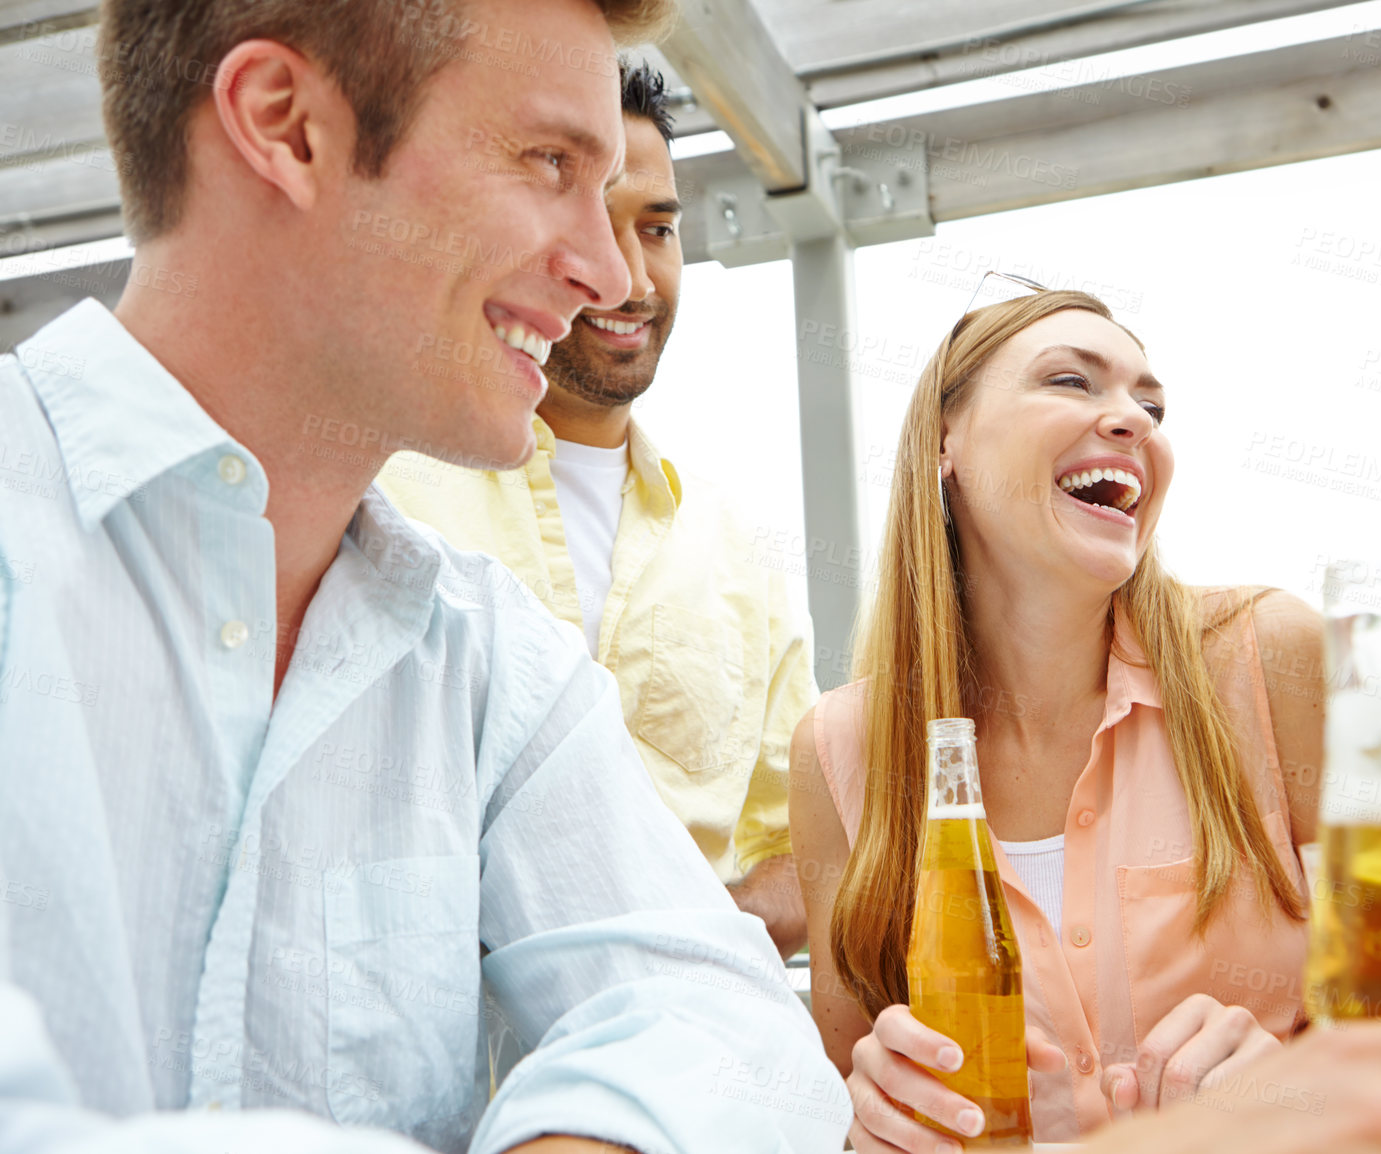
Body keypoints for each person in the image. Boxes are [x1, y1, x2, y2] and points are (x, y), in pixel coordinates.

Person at [0, 1, 846, 1152]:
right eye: (549, 161)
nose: (607, 274)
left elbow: (732, 1022)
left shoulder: (485, 658)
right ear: (285, 126)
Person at [791, 286, 1329, 1150]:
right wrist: (874, 1124)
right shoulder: (839, 750)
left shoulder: (1273, 656)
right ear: (945, 442)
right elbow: (847, 1092)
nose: (1133, 422)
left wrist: (1301, 1091)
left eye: (1150, 404)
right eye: (1072, 382)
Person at [377, 62, 811, 957]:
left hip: (677, 1068)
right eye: (585, 223)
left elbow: (809, 847)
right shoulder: (378, 491)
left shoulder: (735, 551)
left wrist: (679, 940)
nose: (629, 277)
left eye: (657, 229)